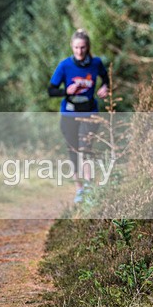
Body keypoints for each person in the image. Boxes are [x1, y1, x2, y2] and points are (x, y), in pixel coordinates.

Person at [48, 29, 110, 203]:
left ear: (88, 47)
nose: (79, 51)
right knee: (73, 150)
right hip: (69, 113)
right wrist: (65, 91)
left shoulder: (96, 63)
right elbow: (51, 90)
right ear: (72, 47)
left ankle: (89, 186)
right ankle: (79, 189)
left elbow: (106, 79)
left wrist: (105, 87)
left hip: (90, 112)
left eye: (82, 47)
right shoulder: (65, 66)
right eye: (76, 47)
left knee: (86, 147)